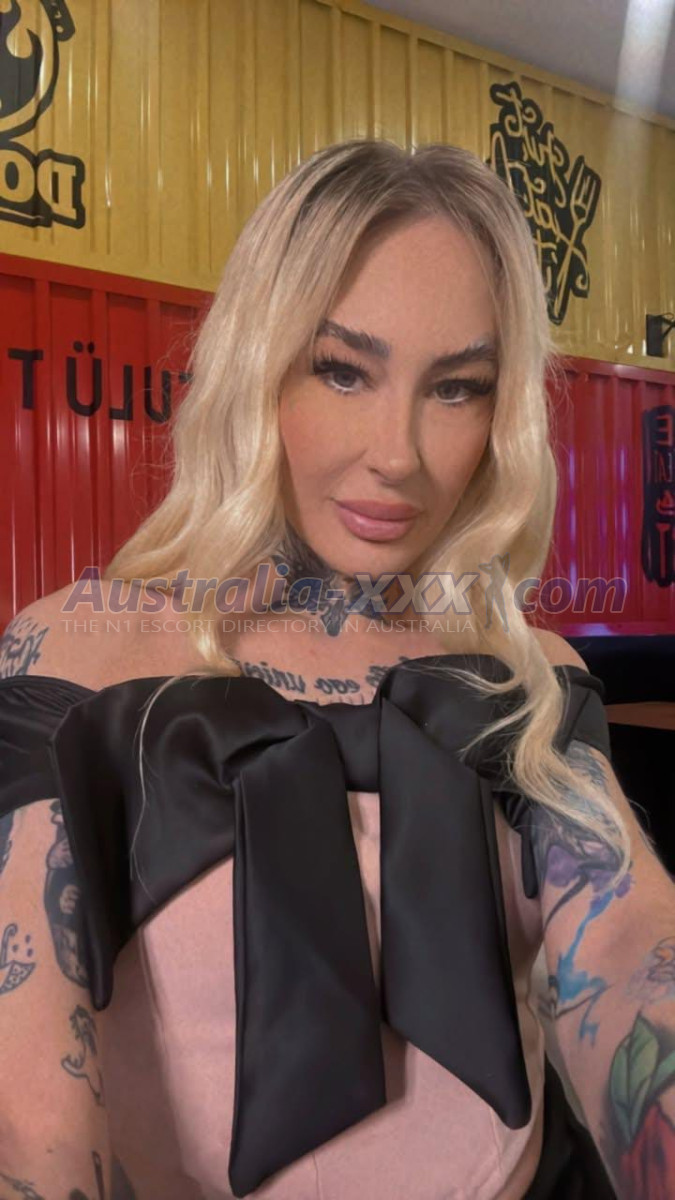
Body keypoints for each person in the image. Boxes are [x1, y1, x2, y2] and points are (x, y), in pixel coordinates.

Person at [0, 137, 673, 1200]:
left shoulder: (520, 673)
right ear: (256, 363)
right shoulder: (78, 657)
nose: (397, 453)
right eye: (342, 369)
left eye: (456, 388)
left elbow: (633, 949)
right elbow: (29, 1102)